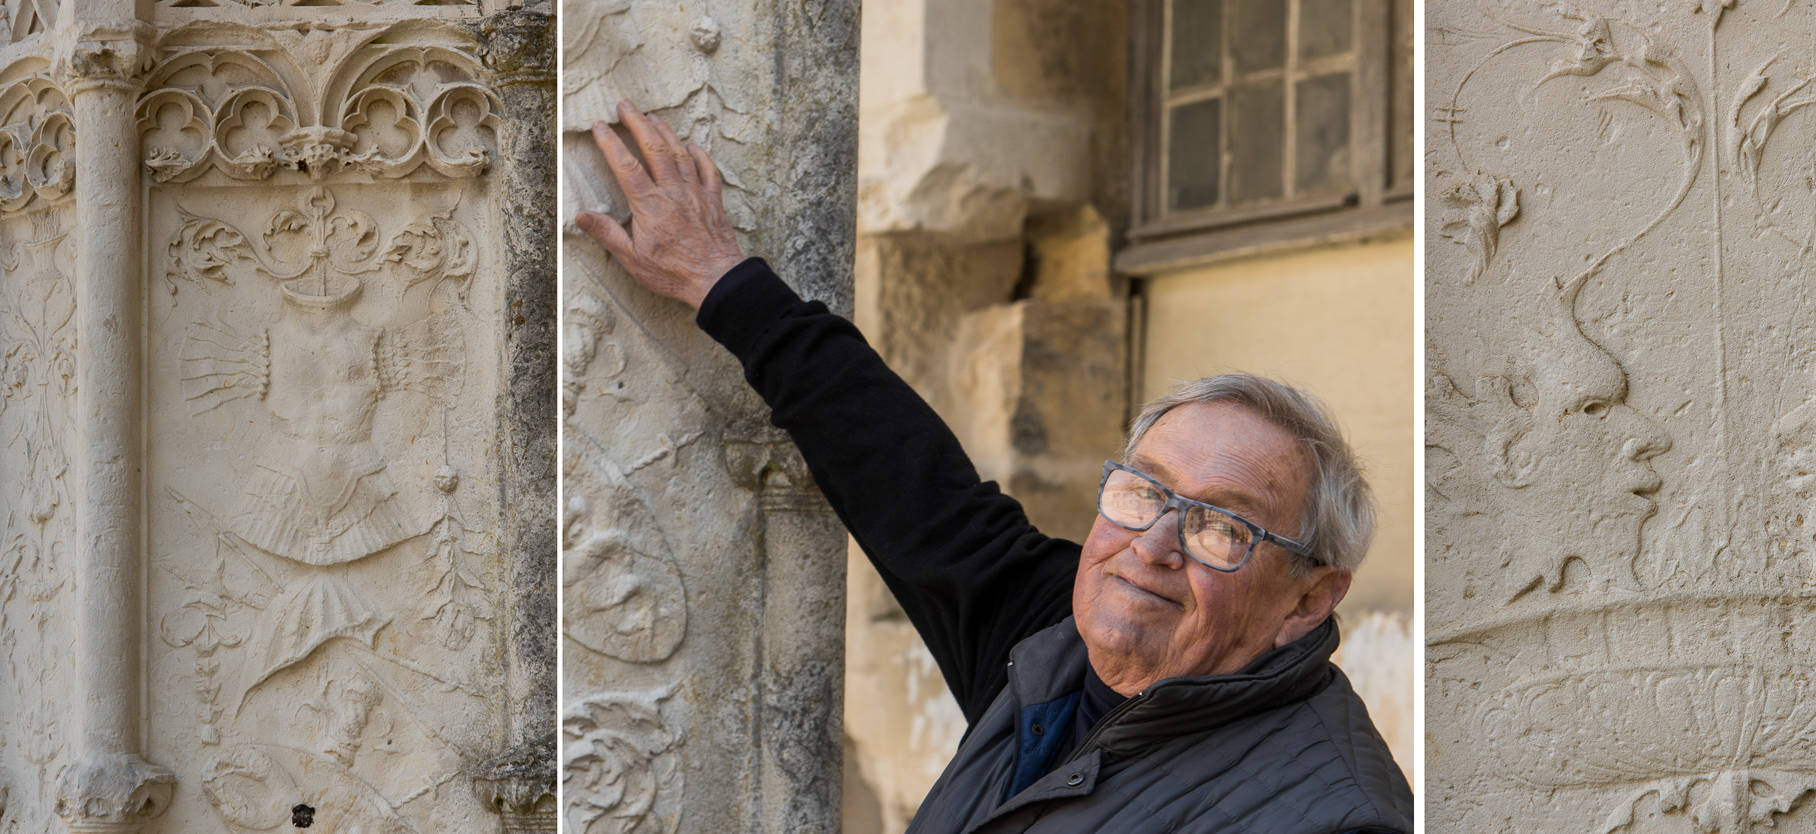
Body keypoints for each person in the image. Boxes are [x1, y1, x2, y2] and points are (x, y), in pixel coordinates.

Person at [576, 100, 1413, 834]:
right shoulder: (1054, 635)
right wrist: (726, 284)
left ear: (1308, 599)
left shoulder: (1334, 814)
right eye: (1143, 491)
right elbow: (907, 478)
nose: (1154, 544)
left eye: (1220, 525)